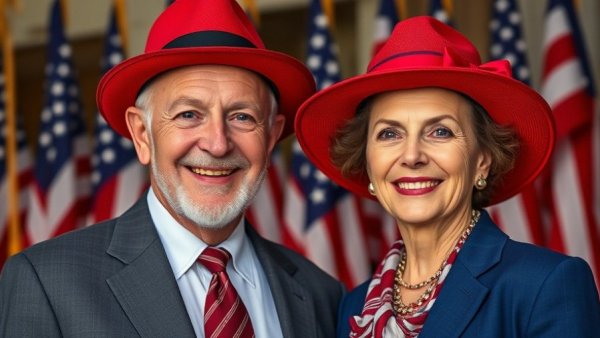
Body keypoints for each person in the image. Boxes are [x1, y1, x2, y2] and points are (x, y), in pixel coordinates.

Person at [0, 0, 343, 337]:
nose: (218, 143)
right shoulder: (47, 282)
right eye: (188, 115)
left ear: (270, 137)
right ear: (142, 134)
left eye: (242, 117)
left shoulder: (322, 296)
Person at [294, 16, 600, 337]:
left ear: (482, 161)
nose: (412, 156)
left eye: (440, 131)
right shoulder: (352, 307)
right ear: (368, 164)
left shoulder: (544, 285)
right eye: (389, 134)